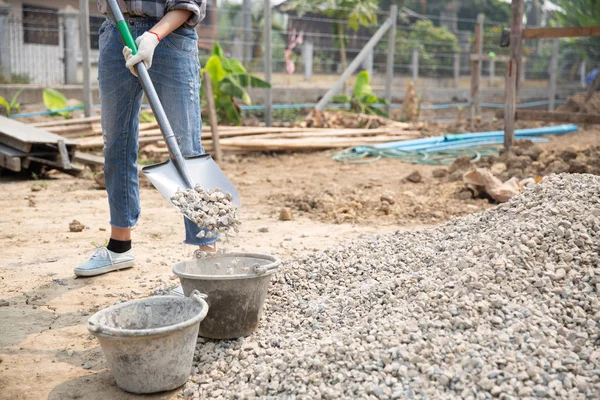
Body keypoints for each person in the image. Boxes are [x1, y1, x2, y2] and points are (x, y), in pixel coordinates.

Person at [74, 0, 212, 277]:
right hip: (117, 34)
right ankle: (119, 247)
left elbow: (189, 4)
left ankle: (206, 258)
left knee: (186, 147)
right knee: (116, 142)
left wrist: (151, 37)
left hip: (171, 38)